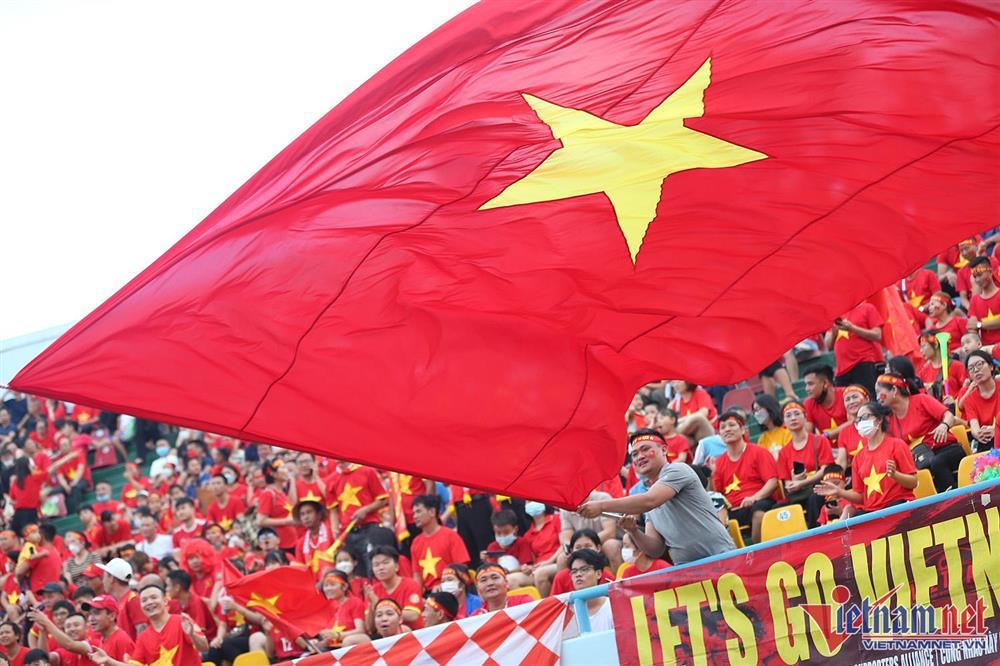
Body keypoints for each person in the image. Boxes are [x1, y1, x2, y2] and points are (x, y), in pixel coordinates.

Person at [579, 430, 733, 564]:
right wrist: (633, 531)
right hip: (687, 569)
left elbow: (650, 501)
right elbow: (655, 549)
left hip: (720, 558)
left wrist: (601, 506)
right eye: (635, 454)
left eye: (645, 449)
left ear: (664, 449)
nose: (640, 457)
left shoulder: (678, 470)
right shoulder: (649, 495)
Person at [816, 402, 917, 514]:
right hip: (872, 512)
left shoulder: (897, 445)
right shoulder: (858, 458)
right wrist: (839, 492)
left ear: (879, 420)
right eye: (858, 419)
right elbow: (861, 497)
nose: (860, 422)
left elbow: (913, 483)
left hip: (897, 505)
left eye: (864, 417)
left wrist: (895, 475)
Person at [875, 372, 964, 492]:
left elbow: (948, 415)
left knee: (937, 462)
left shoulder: (921, 400)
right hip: (919, 460)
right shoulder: (889, 420)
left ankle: (953, 501)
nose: (877, 397)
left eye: (879, 392)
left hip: (945, 448)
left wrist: (944, 425)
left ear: (894, 390)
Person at [91, 584, 208, 666]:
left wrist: (192, 635)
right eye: (144, 600)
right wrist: (107, 660)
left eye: (153, 597)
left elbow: (204, 648)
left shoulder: (181, 621)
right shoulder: (143, 637)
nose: (149, 602)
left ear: (165, 601)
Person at [711, 410, 778, 545]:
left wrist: (754, 498)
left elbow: (772, 482)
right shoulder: (718, 462)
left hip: (758, 501)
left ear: (743, 430)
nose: (727, 430)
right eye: (723, 427)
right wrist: (711, 474)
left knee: (758, 514)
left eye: (731, 425)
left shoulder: (759, 452)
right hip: (733, 508)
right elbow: (717, 494)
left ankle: (758, 553)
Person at [776, 402, 835, 527]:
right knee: (777, 509)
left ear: (805, 416)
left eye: (797, 414)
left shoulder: (819, 440)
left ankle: (816, 536)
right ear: (784, 423)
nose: (793, 418)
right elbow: (786, 483)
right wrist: (794, 481)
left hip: (819, 488)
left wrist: (803, 482)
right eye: (788, 415)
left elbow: (825, 469)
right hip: (798, 493)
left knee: (814, 498)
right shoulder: (783, 452)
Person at [408, 495, 469, 592]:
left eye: (418, 511)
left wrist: (445, 585)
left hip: (451, 589)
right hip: (429, 594)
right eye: (414, 513)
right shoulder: (416, 542)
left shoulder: (451, 536)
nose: (415, 516)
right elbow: (417, 575)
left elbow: (462, 567)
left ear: (432, 512)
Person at [827, 301, 884, 396]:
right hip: (841, 369)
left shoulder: (867, 308)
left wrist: (852, 328)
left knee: (868, 398)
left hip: (863, 362)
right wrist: (834, 331)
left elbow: (877, 335)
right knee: (844, 403)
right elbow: (828, 345)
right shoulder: (836, 314)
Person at [366, 546, 423, 629]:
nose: (381, 568)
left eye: (385, 563)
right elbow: (369, 628)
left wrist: (377, 603)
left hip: (411, 634)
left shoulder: (410, 584)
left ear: (396, 566)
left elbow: (413, 616)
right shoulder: (373, 590)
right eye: (376, 565)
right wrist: (371, 605)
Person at [563, 550, 614, 637]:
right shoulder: (565, 615)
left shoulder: (613, 607)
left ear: (598, 573)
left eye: (584, 569)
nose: (578, 574)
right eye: (574, 571)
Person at [316, 569, 367, 648]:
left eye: (332, 585)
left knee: (348, 641)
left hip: (352, 645)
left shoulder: (355, 602)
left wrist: (337, 635)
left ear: (344, 586)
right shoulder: (329, 607)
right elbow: (329, 638)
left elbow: (360, 630)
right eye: (326, 585)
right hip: (334, 648)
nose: (328, 589)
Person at [961, 350, 1000, 450]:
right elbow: (974, 428)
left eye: (979, 364)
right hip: (988, 440)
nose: (976, 370)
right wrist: (979, 433)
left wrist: (996, 430)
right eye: (971, 368)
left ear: (991, 366)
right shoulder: (969, 399)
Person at [522, 502, 561, 597]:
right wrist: (527, 568)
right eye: (528, 501)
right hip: (539, 568)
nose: (531, 503)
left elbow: (565, 545)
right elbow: (533, 560)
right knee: (512, 579)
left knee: (540, 574)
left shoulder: (556, 519)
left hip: (558, 563)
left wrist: (549, 561)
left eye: (534, 500)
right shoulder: (527, 535)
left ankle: (549, 607)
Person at [916, 332, 966, 404]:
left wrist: (955, 401)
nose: (921, 351)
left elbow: (966, 390)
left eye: (923, 346)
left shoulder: (957, 366)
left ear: (936, 345)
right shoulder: (923, 371)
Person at [15, 524, 62, 596]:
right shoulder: (56, 552)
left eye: (36, 532)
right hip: (51, 595)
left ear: (41, 536)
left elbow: (18, 572)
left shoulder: (38, 552)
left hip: (37, 597)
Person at [803, 365, 847, 440]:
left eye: (810, 384)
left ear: (825, 383)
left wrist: (825, 436)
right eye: (806, 384)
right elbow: (807, 433)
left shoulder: (846, 394)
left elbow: (854, 421)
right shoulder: (808, 403)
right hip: (828, 450)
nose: (806, 389)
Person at [292, 497, 332, 574]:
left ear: (319, 514)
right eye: (302, 514)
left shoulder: (331, 534)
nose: (305, 517)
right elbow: (301, 569)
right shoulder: (301, 543)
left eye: (309, 512)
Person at [966, 256, 1000, 346]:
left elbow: (975, 324)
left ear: (990, 271)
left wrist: (979, 325)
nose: (977, 280)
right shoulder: (974, 300)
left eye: (980, 275)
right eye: (975, 276)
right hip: (986, 350)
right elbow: (971, 327)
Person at [835, 385, 870, 469]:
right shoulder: (844, 432)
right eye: (847, 400)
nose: (851, 402)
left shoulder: (879, 422)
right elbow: (841, 462)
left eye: (855, 397)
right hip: (856, 475)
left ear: (867, 399)